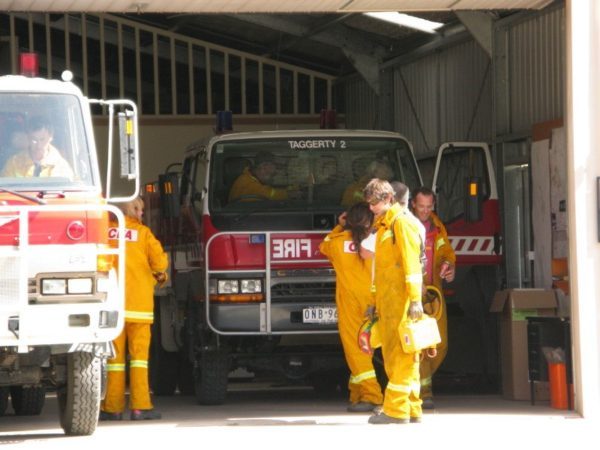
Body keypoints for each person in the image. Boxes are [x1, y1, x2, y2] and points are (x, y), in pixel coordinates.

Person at [361, 178, 424, 424]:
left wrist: (416, 300)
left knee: (401, 354)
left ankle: (397, 411)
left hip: (401, 301)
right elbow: (381, 269)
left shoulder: (402, 224)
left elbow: (411, 265)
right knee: (397, 354)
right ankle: (411, 407)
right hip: (388, 302)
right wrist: (374, 301)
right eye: (369, 204)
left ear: (388, 199)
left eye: (374, 203)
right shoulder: (385, 225)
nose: (371, 208)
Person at [100, 197, 168, 421]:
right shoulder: (144, 234)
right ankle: (140, 406)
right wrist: (160, 275)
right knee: (139, 359)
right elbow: (159, 264)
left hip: (112, 308)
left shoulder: (104, 232)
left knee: (115, 361)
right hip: (139, 308)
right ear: (131, 211)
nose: (141, 214)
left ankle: (113, 408)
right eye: (139, 210)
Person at [319, 202, 384, 413]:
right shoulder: (378, 241)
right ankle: (358, 394)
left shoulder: (337, 243)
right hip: (376, 302)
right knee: (365, 351)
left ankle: (373, 396)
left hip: (351, 306)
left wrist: (339, 227)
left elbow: (323, 246)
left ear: (348, 219)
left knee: (356, 352)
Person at [410, 186, 456, 410]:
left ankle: (419, 384)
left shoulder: (437, 228)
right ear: (412, 205)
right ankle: (423, 392)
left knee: (440, 344)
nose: (426, 211)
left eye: (429, 207)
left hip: (433, 294)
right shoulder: (405, 227)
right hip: (411, 294)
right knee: (417, 344)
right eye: (421, 207)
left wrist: (449, 265)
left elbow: (446, 252)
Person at [1, 116, 74, 179]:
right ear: (28, 138)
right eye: (34, 140)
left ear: (51, 137)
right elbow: (3, 191)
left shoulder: (61, 166)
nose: (39, 145)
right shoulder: (14, 163)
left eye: (42, 139)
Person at [228, 151, 299, 202]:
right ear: (264, 166)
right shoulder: (247, 182)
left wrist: (292, 187)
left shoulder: (249, 177)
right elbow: (271, 194)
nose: (275, 173)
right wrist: (290, 194)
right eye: (271, 174)